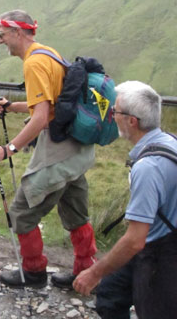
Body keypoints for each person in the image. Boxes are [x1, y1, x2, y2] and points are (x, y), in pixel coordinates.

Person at [0, 10, 97, 289]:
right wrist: (12, 107)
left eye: (2, 35)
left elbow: (41, 117)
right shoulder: (48, 53)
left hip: (57, 153)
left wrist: (7, 149)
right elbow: (50, 104)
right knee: (75, 212)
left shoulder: (33, 63)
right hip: (77, 151)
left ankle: (33, 272)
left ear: (17, 33)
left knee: (22, 212)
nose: (1, 41)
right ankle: (86, 270)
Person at [73, 81, 177, 318]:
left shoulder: (147, 167)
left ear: (132, 121)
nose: (112, 116)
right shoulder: (170, 141)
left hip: (159, 253)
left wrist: (94, 272)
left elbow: (134, 241)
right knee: (110, 296)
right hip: (158, 241)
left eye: (116, 112)